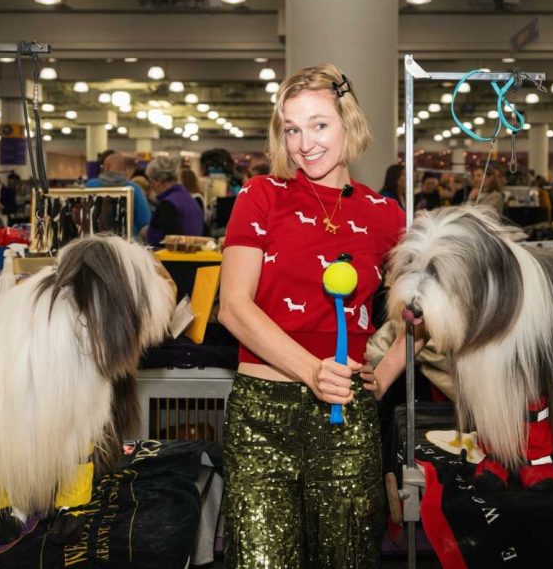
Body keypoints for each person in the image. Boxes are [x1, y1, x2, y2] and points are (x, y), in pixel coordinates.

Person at [218, 63, 409, 568]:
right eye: (292, 129)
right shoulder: (261, 195)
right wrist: (311, 371)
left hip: (346, 419)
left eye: (318, 124)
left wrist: (386, 372)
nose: (304, 144)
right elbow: (233, 307)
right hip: (261, 416)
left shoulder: (385, 214)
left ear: (349, 122)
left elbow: (429, 306)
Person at [142, 155, 204, 247]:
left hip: (169, 255)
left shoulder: (168, 204)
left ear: (157, 181)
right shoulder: (190, 200)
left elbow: (173, 242)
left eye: (150, 182)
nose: (151, 186)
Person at [86, 152, 151, 238]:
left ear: (107, 166)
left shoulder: (91, 185)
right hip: (127, 241)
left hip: (96, 239)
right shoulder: (134, 189)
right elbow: (145, 221)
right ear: (123, 168)